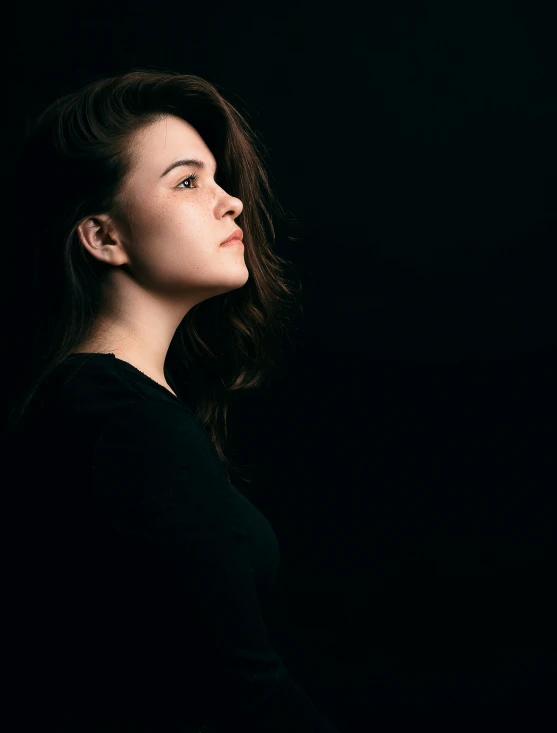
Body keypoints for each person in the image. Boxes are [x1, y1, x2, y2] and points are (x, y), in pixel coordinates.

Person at [6, 69, 341, 732]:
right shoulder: (116, 420)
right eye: (188, 181)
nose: (231, 203)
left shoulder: (112, 407)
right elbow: (245, 694)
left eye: (217, 179)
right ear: (103, 237)